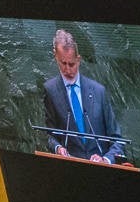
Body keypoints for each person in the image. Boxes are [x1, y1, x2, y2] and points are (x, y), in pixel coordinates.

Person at [41, 28, 121, 159]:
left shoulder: (99, 91)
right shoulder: (50, 90)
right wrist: (58, 148)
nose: (67, 69)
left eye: (71, 64)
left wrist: (106, 160)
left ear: (78, 60)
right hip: (70, 167)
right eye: (63, 63)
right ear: (55, 56)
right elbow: (48, 134)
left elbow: (117, 139)